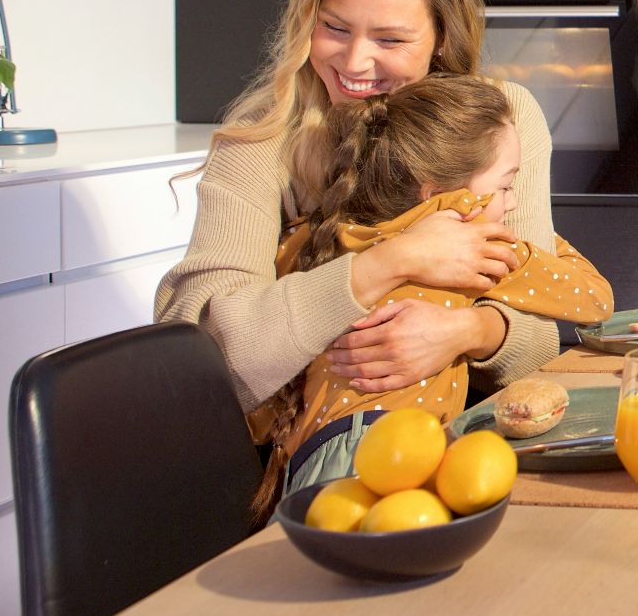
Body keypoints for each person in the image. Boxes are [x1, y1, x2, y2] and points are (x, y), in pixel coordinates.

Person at [157, 0, 560, 425]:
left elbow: (541, 338)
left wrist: (468, 332)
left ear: (441, 37)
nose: (353, 62)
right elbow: (201, 360)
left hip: (470, 436)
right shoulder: (261, 137)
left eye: (390, 40)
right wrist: (391, 262)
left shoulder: (504, 117)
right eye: (335, 28)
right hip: (305, 448)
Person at [248, 74, 615, 511]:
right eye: (504, 187)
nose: (514, 203)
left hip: (309, 461)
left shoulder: (317, 237)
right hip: (399, 456)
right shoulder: (475, 245)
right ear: (444, 197)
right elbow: (596, 299)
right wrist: (539, 243)